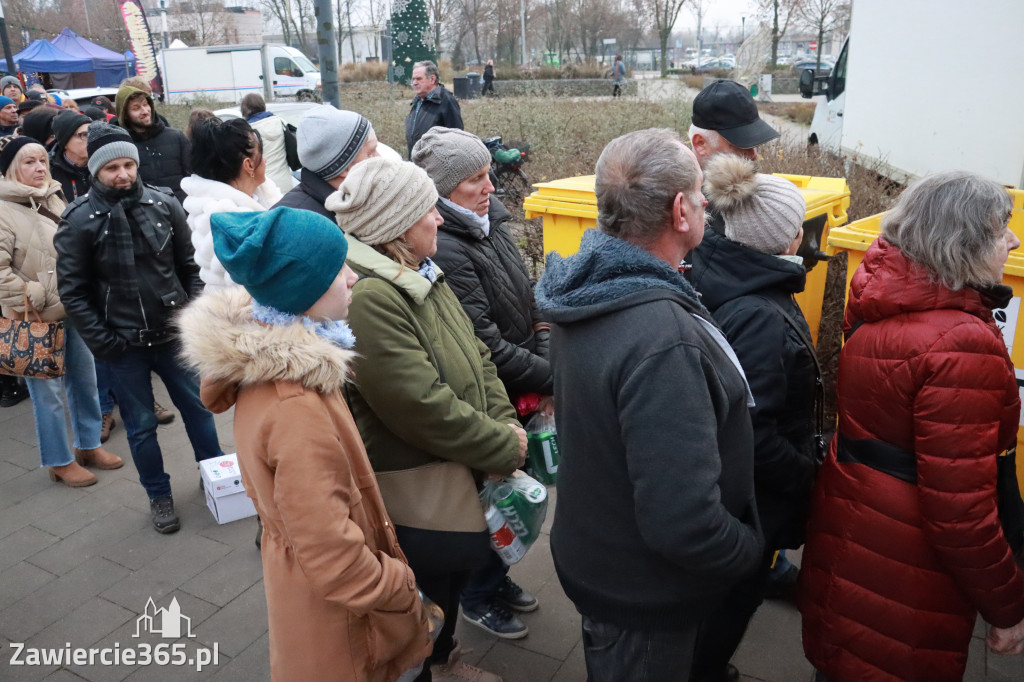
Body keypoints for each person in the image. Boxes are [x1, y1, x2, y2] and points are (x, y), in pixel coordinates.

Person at [534, 128, 763, 682]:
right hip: (643, 594)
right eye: (701, 192)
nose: (709, 202)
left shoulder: (589, 288)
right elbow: (684, 522)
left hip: (599, 554)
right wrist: (749, 553)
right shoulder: (661, 337)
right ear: (680, 211)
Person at [179, 207, 434, 681]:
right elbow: (334, 558)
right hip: (349, 630)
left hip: (310, 595)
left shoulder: (286, 365)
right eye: (339, 269)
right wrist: (400, 589)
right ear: (303, 290)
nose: (354, 276)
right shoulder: (295, 406)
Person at [799, 171, 1024, 681]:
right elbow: (960, 513)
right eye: (999, 229)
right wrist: (1007, 604)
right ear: (959, 244)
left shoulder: (884, 299)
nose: (1012, 240)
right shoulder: (959, 344)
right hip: (906, 572)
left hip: (858, 532)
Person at [328, 157, 526, 682]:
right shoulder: (372, 296)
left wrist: (506, 423)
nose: (439, 219)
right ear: (395, 225)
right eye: (426, 212)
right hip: (418, 481)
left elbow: (478, 357)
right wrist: (502, 447)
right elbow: (419, 406)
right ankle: (425, 667)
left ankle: (443, 660)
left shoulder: (419, 270)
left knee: (447, 581)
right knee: (428, 586)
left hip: (459, 460)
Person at [412, 127, 551, 639]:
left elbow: (529, 293)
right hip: (497, 392)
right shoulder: (447, 247)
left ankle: (497, 577)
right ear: (443, 191)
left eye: (487, 173)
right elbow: (485, 344)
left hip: (523, 383)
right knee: (492, 501)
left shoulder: (490, 225)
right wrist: (551, 371)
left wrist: (543, 340)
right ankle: (476, 593)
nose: (489, 186)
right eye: (474, 179)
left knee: (514, 492)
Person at [54, 121, 223, 534]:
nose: (123, 174)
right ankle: (158, 495)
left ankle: (219, 479)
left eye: (129, 164)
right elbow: (73, 293)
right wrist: (105, 343)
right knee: (143, 427)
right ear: (96, 170)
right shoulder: (78, 221)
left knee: (200, 412)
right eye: (113, 168)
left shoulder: (164, 204)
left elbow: (191, 267)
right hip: (123, 346)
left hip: (173, 337)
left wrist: (192, 318)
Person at [687, 155, 818, 682]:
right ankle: (703, 670)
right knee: (732, 601)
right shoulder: (761, 313)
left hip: (734, 491)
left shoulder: (721, 272)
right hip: (754, 501)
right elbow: (754, 431)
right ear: (787, 238)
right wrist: (805, 474)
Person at [0, 135, 123, 486]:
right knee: (48, 396)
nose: (39, 168)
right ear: (11, 168)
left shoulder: (53, 195)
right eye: (29, 162)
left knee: (86, 381)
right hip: (32, 317)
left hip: (71, 307)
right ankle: (58, 459)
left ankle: (87, 445)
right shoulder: (3, 208)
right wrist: (34, 293)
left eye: (42, 160)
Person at [181, 116, 282, 290]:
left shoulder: (261, 195)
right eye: (261, 155)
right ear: (249, 165)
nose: (265, 161)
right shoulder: (229, 221)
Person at [272, 106, 379, 221]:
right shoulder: (295, 222)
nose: (379, 158)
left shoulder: (347, 202)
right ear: (343, 167)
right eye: (370, 153)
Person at [114, 83, 190, 203]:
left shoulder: (176, 137)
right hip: (143, 216)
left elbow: (191, 177)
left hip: (180, 212)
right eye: (136, 108)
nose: (144, 111)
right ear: (125, 115)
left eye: (146, 104)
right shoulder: (119, 144)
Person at [404, 60, 463, 156]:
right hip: (418, 164)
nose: (414, 83)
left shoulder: (446, 101)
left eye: (419, 79)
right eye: (413, 79)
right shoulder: (418, 101)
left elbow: (456, 138)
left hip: (438, 166)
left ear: (432, 79)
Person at [240, 93, 294, 195]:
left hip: (263, 187)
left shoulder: (247, 130)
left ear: (244, 109)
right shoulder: (279, 121)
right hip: (285, 182)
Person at [48, 109, 92, 202]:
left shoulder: (102, 166)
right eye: (84, 135)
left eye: (93, 133)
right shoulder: (49, 172)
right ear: (65, 142)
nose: (91, 139)